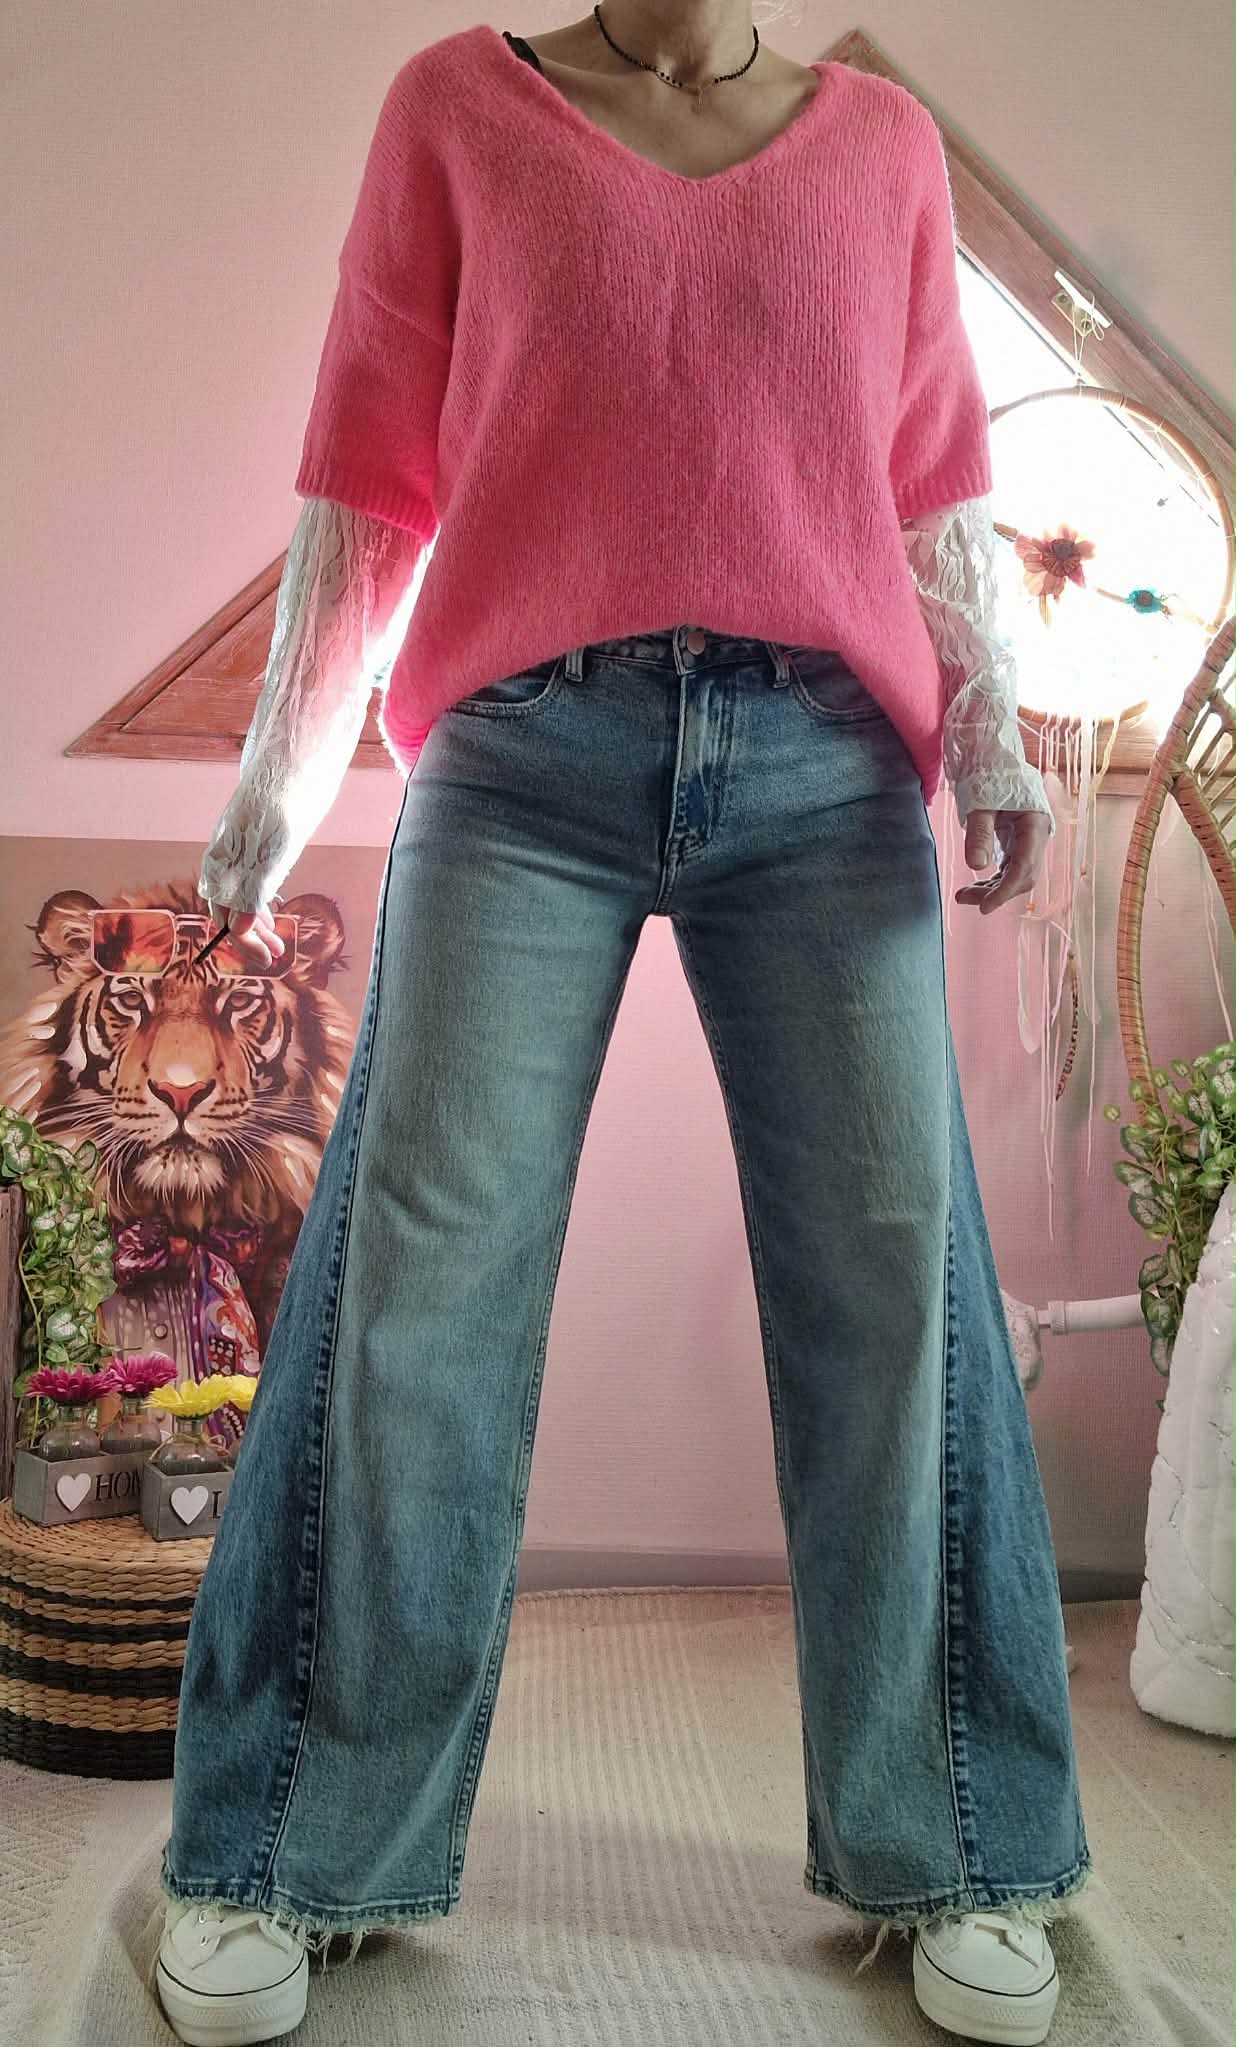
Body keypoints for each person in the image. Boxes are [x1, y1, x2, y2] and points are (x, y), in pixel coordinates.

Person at [153, 8, 1089, 2043]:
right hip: (521, 760)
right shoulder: (456, 110)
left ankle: (961, 1841)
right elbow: (366, 472)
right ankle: (293, 1847)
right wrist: (275, 782)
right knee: (419, 1290)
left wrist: (994, 732)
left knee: (895, 1284)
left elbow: (935, 474)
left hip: (827, 765)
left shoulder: (881, 147)